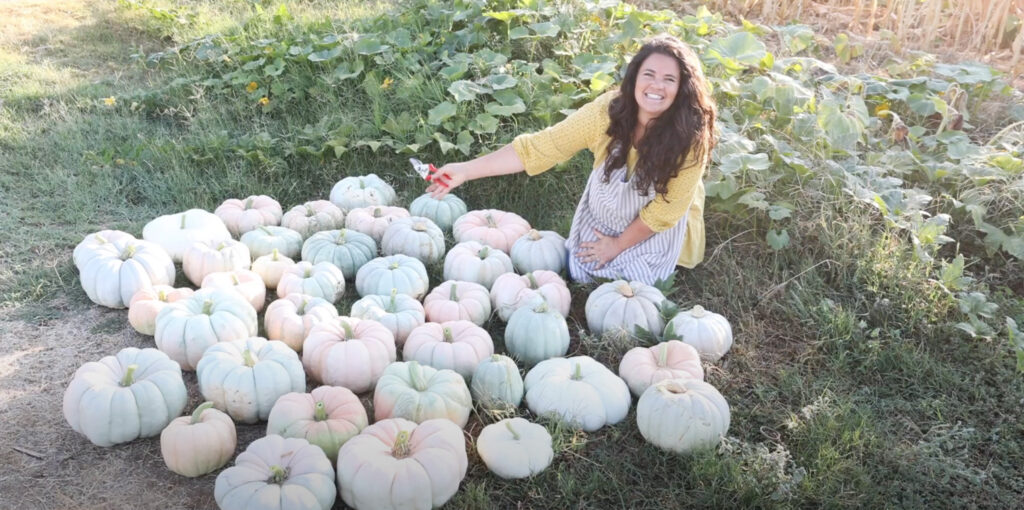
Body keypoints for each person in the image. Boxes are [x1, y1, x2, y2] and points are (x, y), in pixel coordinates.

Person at [427, 34, 717, 285]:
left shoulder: (690, 136)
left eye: (670, 79)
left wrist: (616, 245)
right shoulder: (608, 111)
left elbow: (666, 211)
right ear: (634, 77)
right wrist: (466, 170)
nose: (657, 86)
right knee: (587, 270)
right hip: (613, 206)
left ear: (682, 89)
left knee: (632, 282)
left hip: (662, 218)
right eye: (649, 74)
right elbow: (542, 147)